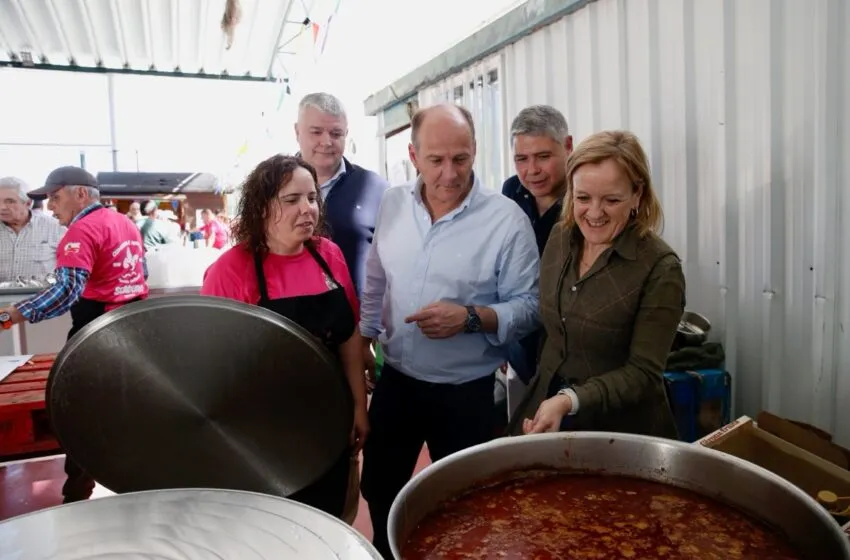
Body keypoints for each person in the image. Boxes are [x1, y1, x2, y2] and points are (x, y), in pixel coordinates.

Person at [359, 103, 540, 558]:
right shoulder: (393, 203)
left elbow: (531, 307)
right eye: (436, 160)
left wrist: (472, 317)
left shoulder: (506, 221)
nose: (449, 173)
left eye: (460, 158)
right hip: (397, 381)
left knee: (467, 507)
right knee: (380, 488)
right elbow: (377, 276)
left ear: (475, 150)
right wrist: (363, 336)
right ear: (413, 155)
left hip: (466, 393)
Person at [200, 154, 369, 519]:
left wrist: (358, 406)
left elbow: (349, 336)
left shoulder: (329, 255)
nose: (307, 209)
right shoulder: (230, 271)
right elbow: (216, 368)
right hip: (264, 433)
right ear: (261, 208)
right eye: (292, 200)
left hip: (329, 421)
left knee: (330, 519)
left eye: (312, 198)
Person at [512, 130, 684, 439]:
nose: (593, 213)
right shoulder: (560, 238)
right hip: (546, 406)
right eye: (582, 197)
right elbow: (554, 333)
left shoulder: (660, 268)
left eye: (611, 200)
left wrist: (569, 400)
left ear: (637, 195)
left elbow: (643, 373)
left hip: (621, 430)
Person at [0, 165, 149, 502]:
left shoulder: (80, 231)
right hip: (134, 327)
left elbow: (67, 291)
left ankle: (77, 494)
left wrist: (11, 316)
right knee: (129, 408)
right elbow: (142, 272)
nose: (50, 207)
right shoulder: (124, 222)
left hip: (96, 334)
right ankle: (138, 487)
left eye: (54, 197)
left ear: (80, 194)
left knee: (78, 413)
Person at [501, 105, 573, 386]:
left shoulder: (586, 199)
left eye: (543, 157)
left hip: (567, 350)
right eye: (521, 159)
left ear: (567, 146)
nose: (532, 171)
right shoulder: (511, 192)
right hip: (521, 342)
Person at [294, 92, 389, 296]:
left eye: (336, 134)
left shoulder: (376, 189)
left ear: (347, 133)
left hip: (358, 321)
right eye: (316, 132)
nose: (326, 142)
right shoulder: (271, 186)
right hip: (287, 318)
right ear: (297, 131)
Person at [0, 176, 66, 283]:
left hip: (42, 298)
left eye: (10, 201)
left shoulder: (56, 228)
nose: (2, 207)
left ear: (28, 203)